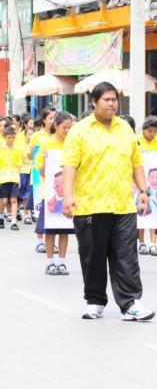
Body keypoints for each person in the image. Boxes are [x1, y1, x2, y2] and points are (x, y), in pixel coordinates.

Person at [62, 81, 154, 321]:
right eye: (107, 99)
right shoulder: (79, 131)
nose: (112, 104)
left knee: (126, 256)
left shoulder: (125, 129)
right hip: (90, 205)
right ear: (94, 102)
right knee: (93, 256)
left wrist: (144, 191)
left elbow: (136, 163)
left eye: (114, 99)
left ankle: (130, 303)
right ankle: (95, 301)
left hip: (123, 205)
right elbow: (69, 165)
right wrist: (68, 196)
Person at [36, 112, 75, 275]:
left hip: (68, 193)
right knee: (51, 229)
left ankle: (62, 262)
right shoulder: (47, 144)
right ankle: (50, 262)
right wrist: (45, 160)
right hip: (50, 194)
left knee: (65, 228)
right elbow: (42, 172)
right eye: (64, 127)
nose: (67, 130)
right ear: (56, 126)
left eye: (69, 127)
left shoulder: (72, 144)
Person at [30, 108, 56, 254]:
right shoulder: (37, 136)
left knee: (53, 208)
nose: (53, 120)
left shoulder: (57, 135)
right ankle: (40, 241)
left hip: (55, 177)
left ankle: (51, 241)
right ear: (44, 120)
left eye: (55, 117)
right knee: (42, 207)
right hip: (40, 176)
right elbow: (29, 155)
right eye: (51, 118)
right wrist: (32, 150)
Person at [137, 116, 157, 257]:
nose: (152, 134)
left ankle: (153, 243)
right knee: (142, 212)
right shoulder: (137, 142)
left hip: (155, 182)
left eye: (154, 131)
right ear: (144, 130)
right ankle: (141, 242)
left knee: (154, 213)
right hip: (141, 182)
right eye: (149, 131)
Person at [0, 126, 23, 230]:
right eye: (9, 138)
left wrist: (19, 179)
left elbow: (19, 165)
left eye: (13, 137)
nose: (11, 140)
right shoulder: (1, 149)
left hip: (14, 178)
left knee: (14, 200)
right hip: (2, 178)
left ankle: (14, 222)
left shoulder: (17, 149)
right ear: (4, 137)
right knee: (4, 201)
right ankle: (1, 217)